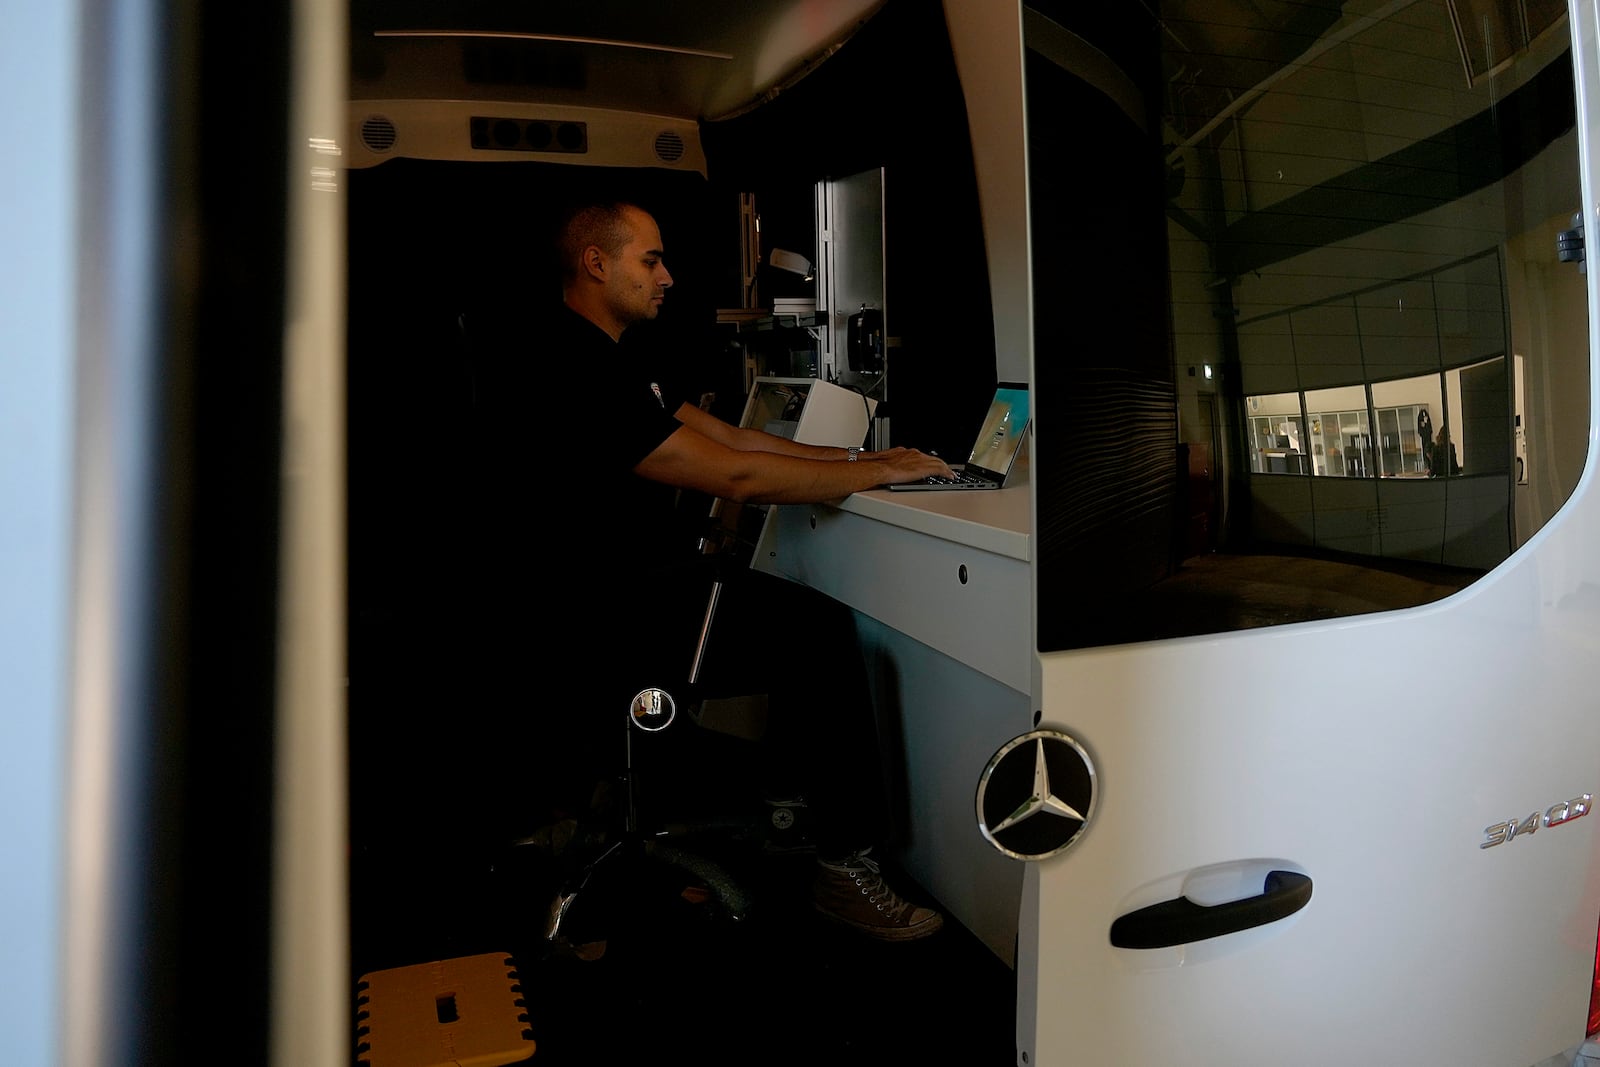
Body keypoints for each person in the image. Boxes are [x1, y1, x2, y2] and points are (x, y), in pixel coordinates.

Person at [525, 199, 955, 941]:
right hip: (607, 614)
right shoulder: (575, 369)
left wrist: (867, 461)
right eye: (650, 259)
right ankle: (844, 867)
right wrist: (874, 473)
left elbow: (731, 438)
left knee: (787, 613)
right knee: (817, 630)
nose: (668, 276)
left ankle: (791, 806)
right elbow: (740, 478)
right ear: (597, 263)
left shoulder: (611, 355)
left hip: (610, 596)